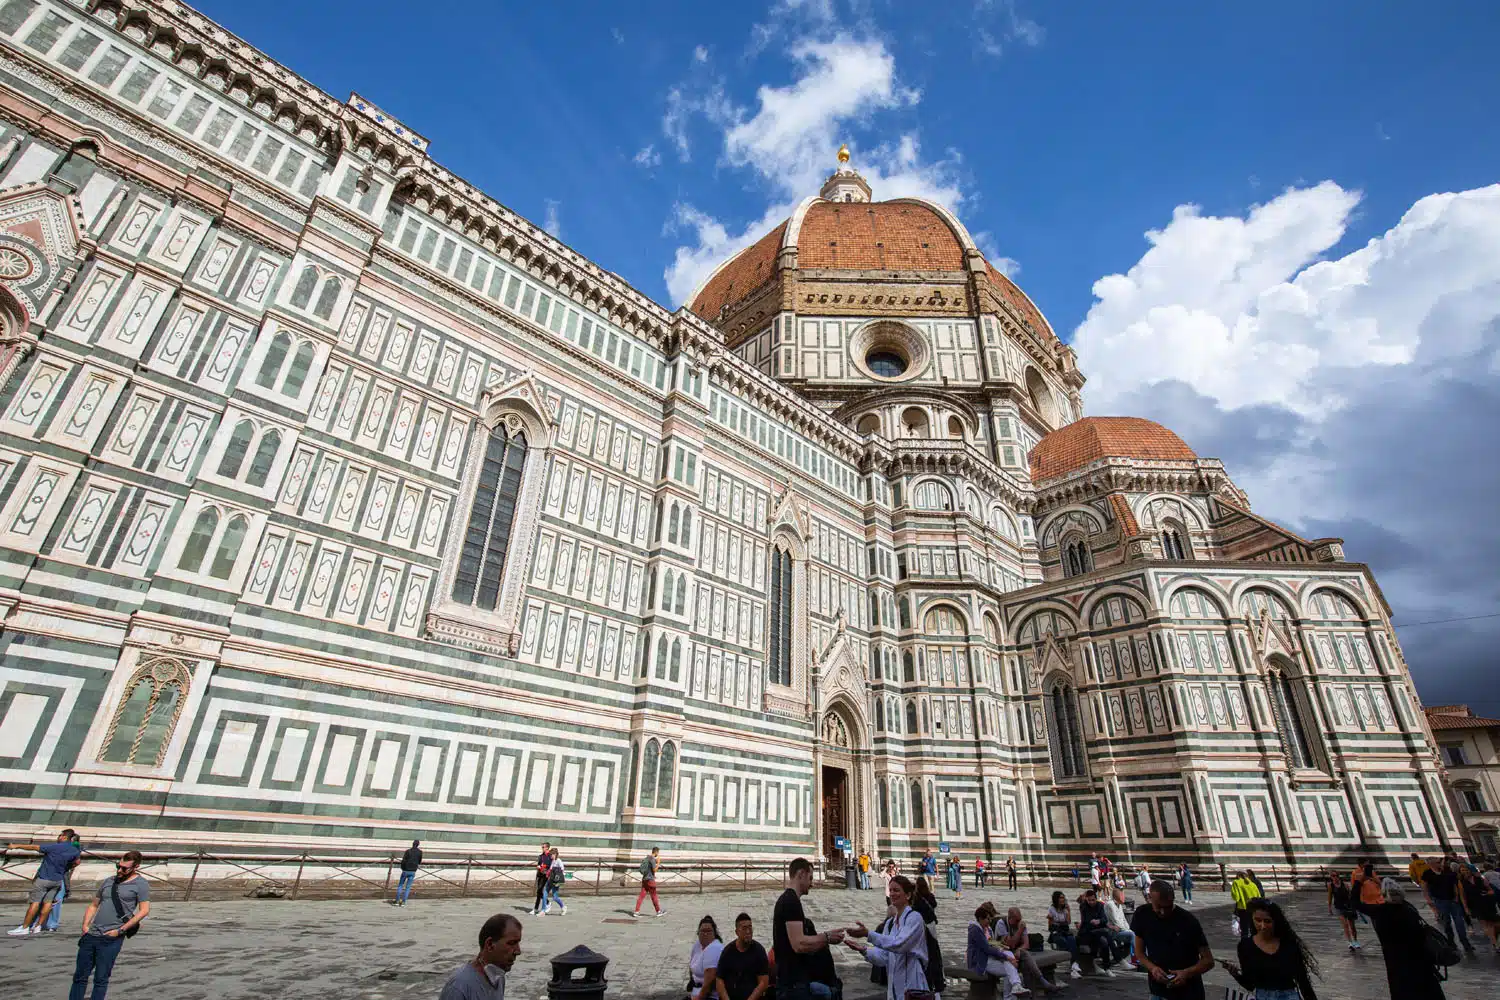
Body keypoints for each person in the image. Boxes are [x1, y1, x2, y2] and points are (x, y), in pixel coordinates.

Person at [70, 849, 150, 1000]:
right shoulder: (109, 881)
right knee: (79, 976)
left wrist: (121, 930)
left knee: (101, 978)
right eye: (118, 866)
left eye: (124, 868)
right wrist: (85, 926)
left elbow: (144, 910)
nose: (120, 870)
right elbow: (94, 904)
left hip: (111, 938)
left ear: (136, 867)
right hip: (91, 934)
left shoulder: (141, 884)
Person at [844, 874, 927, 1000]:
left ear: (908, 895)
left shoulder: (915, 918)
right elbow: (884, 957)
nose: (892, 894)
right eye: (891, 890)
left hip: (913, 984)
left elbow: (900, 944)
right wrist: (863, 950)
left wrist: (868, 934)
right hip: (894, 988)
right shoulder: (890, 924)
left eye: (897, 890)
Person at [775, 857, 845, 1000]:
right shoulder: (790, 901)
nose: (811, 883)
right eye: (810, 878)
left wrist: (825, 938)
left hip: (795, 982)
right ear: (801, 874)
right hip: (793, 985)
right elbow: (799, 944)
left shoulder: (789, 900)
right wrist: (827, 937)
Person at [1130, 880, 1213, 1000]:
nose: (1163, 912)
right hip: (1158, 991)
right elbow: (1139, 953)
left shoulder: (1188, 921)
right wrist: (1152, 968)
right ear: (1149, 898)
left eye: (1168, 907)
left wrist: (1186, 973)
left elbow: (1208, 960)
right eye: (1159, 907)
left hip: (1189, 992)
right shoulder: (1142, 914)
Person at [1220, 899, 1319, 1000]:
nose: (1262, 926)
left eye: (1267, 921)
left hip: (1289, 996)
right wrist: (1235, 974)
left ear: (1275, 921)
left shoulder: (1288, 944)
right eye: (1258, 920)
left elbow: (1302, 981)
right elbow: (1250, 984)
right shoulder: (1245, 946)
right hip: (1263, 996)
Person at [1367, 878, 1445, 1000]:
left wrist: (1358, 883)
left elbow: (1356, 903)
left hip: (1398, 963)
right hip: (1420, 960)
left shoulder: (1382, 912)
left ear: (1384, 895)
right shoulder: (1409, 908)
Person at [8, 827, 82, 936]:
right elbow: (77, 862)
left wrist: (16, 846)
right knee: (48, 903)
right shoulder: (74, 850)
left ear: (64, 837)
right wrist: (67, 867)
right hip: (57, 880)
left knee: (35, 903)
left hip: (44, 878)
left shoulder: (54, 847)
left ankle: (25, 927)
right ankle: (38, 926)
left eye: (60, 835)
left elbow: (34, 847)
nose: (58, 837)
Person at [440, 912, 522, 1000]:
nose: (518, 951)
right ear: (490, 944)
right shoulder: (458, 987)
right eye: (512, 943)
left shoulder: (498, 978)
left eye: (518, 943)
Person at [995, 905, 1067, 992]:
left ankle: (1032, 990)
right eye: (1017, 920)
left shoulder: (1020, 923)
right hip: (1003, 953)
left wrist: (1019, 949)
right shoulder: (1001, 924)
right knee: (1026, 959)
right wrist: (1020, 930)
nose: (1019, 922)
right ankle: (1042, 984)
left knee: (1026, 959)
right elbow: (1010, 944)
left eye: (1020, 919)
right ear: (1010, 919)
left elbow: (1026, 944)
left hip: (1017, 952)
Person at [968, 903, 1030, 997]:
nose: (989, 921)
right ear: (980, 919)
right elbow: (987, 949)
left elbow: (991, 944)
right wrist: (1007, 958)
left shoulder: (987, 929)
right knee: (1011, 971)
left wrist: (1001, 947)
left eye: (990, 919)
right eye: (987, 919)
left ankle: (1015, 987)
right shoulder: (975, 930)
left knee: (1010, 964)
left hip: (990, 958)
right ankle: (1013, 990)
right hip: (981, 961)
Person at [1420, 855, 1473, 955]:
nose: (1440, 864)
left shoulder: (1447, 871)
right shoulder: (1428, 874)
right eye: (1437, 862)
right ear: (1431, 864)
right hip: (1440, 901)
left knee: (1459, 923)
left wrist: (1456, 896)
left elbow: (1455, 884)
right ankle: (1451, 943)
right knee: (1446, 923)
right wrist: (1428, 899)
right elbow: (1424, 886)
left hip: (1452, 900)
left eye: (1439, 862)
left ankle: (1465, 943)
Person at [717, 912, 771, 1000]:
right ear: (737, 932)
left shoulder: (759, 951)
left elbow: (763, 982)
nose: (748, 931)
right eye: (744, 928)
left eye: (750, 927)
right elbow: (719, 980)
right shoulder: (728, 951)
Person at [43, 831, 82, 933]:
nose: (59, 837)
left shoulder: (73, 848)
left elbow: (76, 861)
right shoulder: (58, 847)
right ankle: (47, 923)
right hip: (53, 875)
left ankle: (50, 923)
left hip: (58, 876)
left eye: (60, 835)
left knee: (55, 900)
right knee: (51, 900)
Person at [1076, 887, 1119, 977]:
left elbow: (1104, 919)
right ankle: (1118, 959)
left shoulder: (1100, 905)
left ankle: (1107, 968)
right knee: (1106, 932)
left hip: (1098, 933)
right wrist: (1096, 922)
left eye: (1093, 900)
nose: (1091, 902)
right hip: (1086, 933)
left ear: (1096, 898)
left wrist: (1098, 921)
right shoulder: (1083, 906)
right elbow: (1087, 920)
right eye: (1089, 900)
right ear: (1086, 899)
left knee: (1104, 942)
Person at [1458, 865, 1499, 952]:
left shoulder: (1480, 878)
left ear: (1470, 870)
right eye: (1462, 870)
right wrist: (1466, 908)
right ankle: (1495, 944)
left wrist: (1488, 893)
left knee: (1494, 924)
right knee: (1487, 925)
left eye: (1466, 869)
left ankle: (1495, 941)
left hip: (1487, 903)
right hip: (1475, 905)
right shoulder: (1461, 882)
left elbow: (1490, 890)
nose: (1465, 871)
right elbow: (1463, 896)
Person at [1046, 890, 1082, 979]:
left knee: (1072, 940)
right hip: (1056, 932)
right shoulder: (1052, 909)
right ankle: (1074, 964)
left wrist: (1069, 911)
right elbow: (1051, 925)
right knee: (1063, 942)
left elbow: (1068, 922)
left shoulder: (1065, 909)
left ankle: (1074, 966)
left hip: (1065, 930)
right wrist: (1052, 920)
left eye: (1063, 898)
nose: (1063, 899)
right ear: (1056, 899)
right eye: (1061, 898)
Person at [689, 915, 725, 1000]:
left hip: (710, 996)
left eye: (709, 931)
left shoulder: (714, 948)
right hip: (696, 990)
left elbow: (709, 983)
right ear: (698, 933)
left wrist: (698, 998)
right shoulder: (698, 944)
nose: (705, 934)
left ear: (714, 933)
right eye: (702, 931)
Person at [1103, 887, 1139, 970]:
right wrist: (1128, 931)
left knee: (1134, 934)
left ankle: (1120, 960)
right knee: (1131, 935)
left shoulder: (1119, 905)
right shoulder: (1110, 905)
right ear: (1117, 896)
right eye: (1122, 896)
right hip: (1111, 931)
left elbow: (1124, 920)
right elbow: (1116, 922)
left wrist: (1128, 929)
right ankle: (1140, 957)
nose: (1124, 898)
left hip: (1120, 930)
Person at [1324, 872, 1359, 951]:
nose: (1335, 877)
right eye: (1333, 876)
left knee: (1352, 926)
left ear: (1338, 876)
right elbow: (1330, 896)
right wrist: (1329, 907)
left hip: (1348, 907)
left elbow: (1350, 895)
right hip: (1339, 907)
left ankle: (1355, 941)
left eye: (1336, 876)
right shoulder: (1330, 886)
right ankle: (1350, 942)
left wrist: (1354, 905)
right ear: (1331, 877)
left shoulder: (1345, 884)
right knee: (1345, 925)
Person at [1230, 870, 1263, 939]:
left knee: (1244, 928)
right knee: (1252, 927)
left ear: (1238, 876)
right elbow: (1259, 896)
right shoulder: (1253, 884)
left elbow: (1236, 897)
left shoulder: (1236, 883)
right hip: (1253, 908)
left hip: (1243, 908)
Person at [634, 846, 664, 917]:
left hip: (644, 880)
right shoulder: (652, 859)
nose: (658, 854)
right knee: (654, 896)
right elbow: (654, 870)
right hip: (650, 880)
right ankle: (658, 911)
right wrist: (658, 863)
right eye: (658, 853)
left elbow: (648, 868)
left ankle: (636, 911)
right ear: (656, 852)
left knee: (641, 896)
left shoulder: (647, 858)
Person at [393, 839, 422, 906]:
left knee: (400, 885)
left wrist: (402, 868)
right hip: (413, 871)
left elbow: (403, 861)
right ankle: (403, 902)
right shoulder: (420, 852)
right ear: (418, 845)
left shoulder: (408, 851)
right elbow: (419, 861)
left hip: (405, 870)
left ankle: (397, 901)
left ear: (412, 844)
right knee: (408, 887)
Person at [541, 847, 567, 915]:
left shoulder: (558, 861)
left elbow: (562, 869)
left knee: (555, 897)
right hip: (550, 880)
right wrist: (546, 872)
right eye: (550, 854)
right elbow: (550, 870)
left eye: (551, 854)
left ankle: (563, 907)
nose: (550, 856)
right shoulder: (553, 861)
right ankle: (543, 910)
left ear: (555, 854)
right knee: (544, 894)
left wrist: (556, 873)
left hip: (556, 881)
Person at [530, 841, 551, 915]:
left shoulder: (550, 856)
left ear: (547, 848)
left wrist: (542, 867)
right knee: (538, 892)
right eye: (542, 847)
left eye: (543, 847)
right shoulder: (541, 856)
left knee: (540, 890)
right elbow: (539, 864)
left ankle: (548, 903)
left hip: (545, 876)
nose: (542, 848)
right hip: (540, 875)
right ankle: (536, 908)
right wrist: (538, 867)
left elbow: (550, 866)